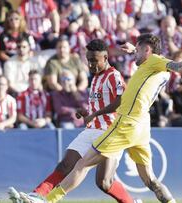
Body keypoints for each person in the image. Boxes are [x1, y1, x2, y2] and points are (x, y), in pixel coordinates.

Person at [18, 33, 182, 203]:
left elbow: (177, 66)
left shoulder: (156, 62)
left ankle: (47, 200)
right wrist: (132, 52)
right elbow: (150, 69)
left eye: (138, 49)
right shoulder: (149, 68)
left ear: (148, 50)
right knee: (149, 180)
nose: (133, 53)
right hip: (142, 125)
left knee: (82, 165)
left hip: (126, 122)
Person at [9, 39, 139, 203]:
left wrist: (95, 113)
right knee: (66, 164)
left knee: (104, 182)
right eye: (89, 60)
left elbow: (122, 101)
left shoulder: (113, 75)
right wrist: (87, 112)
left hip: (110, 132)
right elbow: (102, 103)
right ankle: (38, 196)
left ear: (105, 58)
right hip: (92, 130)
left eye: (95, 60)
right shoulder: (96, 77)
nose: (91, 64)